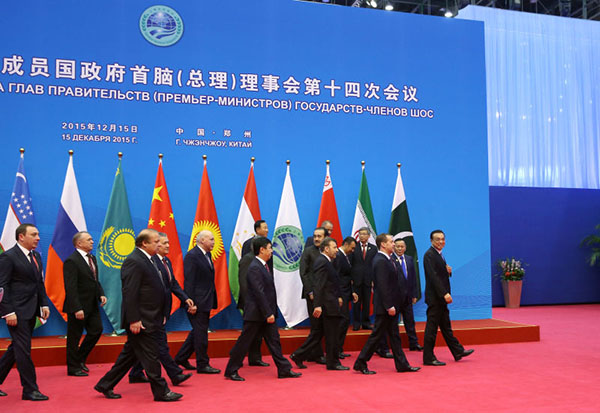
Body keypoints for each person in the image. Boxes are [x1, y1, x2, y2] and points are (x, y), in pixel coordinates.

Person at [94, 229, 182, 401]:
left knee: (128, 356)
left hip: (152, 317)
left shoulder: (151, 260)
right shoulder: (134, 261)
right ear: (144, 243)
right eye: (156, 241)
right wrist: (134, 319)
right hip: (141, 320)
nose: (160, 244)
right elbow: (130, 293)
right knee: (151, 356)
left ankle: (105, 384)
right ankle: (161, 392)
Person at [224, 237, 302, 381]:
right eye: (270, 248)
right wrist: (268, 313)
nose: (272, 251)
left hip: (265, 313)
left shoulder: (263, 265)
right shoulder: (254, 267)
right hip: (256, 314)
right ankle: (231, 370)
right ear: (262, 250)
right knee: (244, 343)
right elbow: (258, 293)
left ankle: (284, 369)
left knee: (274, 341)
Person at [128, 232, 195, 386]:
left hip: (160, 310)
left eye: (167, 243)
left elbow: (172, 284)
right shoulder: (150, 262)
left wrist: (185, 298)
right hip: (149, 312)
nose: (167, 246)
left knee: (137, 348)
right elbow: (132, 292)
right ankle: (175, 374)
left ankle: (135, 373)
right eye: (163, 243)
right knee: (160, 345)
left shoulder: (166, 261)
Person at [353, 233, 420, 375]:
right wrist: (389, 306)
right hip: (385, 307)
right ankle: (361, 362)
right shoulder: (380, 261)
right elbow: (382, 286)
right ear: (383, 244)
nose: (394, 244)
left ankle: (402, 364)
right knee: (376, 336)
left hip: (391, 306)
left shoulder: (389, 259)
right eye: (391, 241)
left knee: (394, 336)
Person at [0, 224, 50, 401]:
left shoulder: (35, 256)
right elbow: (2, 285)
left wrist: (43, 304)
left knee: (17, 348)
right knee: (23, 350)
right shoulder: (8, 257)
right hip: (16, 311)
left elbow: (39, 283)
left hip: (32, 309)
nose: (38, 237)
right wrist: (8, 312)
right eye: (33, 234)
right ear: (21, 237)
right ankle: (29, 389)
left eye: (37, 234)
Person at [422, 230, 474, 366]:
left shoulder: (439, 254)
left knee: (446, 327)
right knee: (432, 329)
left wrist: (447, 272)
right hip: (436, 298)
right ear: (431, 241)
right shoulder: (429, 255)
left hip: (440, 298)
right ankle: (428, 357)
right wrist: (444, 293)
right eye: (437, 239)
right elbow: (433, 277)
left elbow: (439, 274)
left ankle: (457, 351)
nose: (441, 242)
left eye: (443, 239)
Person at [174, 230, 221, 374]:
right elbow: (189, 281)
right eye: (211, 239)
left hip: (206, 300)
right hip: (196, 302)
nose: (214, 242)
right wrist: (191, 303)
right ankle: (202, 364)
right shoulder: (192, 256)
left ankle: (181, 358)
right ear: (201, 241)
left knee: (198, 331)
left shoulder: (207, 255)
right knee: (201, 333)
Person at [63, 231, 107, 377]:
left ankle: (80, 358)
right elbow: (70, 287)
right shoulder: (71, 261)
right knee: (74, 337)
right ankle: (72, 367)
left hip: (92, 304)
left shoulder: (92, 258)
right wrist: (76, 308)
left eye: (92, 239)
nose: (92, 242)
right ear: (79, 243)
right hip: (78, 306)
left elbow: (95, 279)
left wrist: (101, 293)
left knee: (96, 330)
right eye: (89, 240)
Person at [290, 227, 327, 368]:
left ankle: (314, 354)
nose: (317, 238)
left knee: (321, 327)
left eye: (320, 236)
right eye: (315, 236)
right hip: (313, 295)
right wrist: (310, 291)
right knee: (317, 327)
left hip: (325, 295)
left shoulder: (327, 252)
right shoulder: (308, 251)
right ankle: (308, 354)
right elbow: (303, 273)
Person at [237, 220, 272, 367]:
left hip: (263, 299)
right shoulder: (249, 259)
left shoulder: (266, 257)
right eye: (265, 227)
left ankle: (255, 358)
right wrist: (248, 300)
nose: (267, 229)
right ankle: (235, 358)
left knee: (260, 334)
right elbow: (246, 280)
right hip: (252, 301)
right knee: (248, 334)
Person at [311, 237, 348, 370]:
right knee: (332, 335)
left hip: (330, 302)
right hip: (327, 304)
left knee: (326, 333)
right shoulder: (322, 261)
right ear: (326, 249)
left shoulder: (327, 261)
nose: (336, 250)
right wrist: (317, 304)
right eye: (334, 247)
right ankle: (333, 362)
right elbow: (318, 285)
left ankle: (299, 355)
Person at [391, 238, 423, 351]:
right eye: (397, 246)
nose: (400, 249)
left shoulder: (409, 259)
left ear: (405, 247)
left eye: (402, 246)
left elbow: (413, 278)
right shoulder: (390, 259)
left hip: (408, 297)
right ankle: (396, 346)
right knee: (393, 323)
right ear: (393, 247)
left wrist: (414, 294)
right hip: (395, 297)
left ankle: (414, 343)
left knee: (410, 321)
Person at [333, 236, 358, 359]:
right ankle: (336, 350)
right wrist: (338, 295)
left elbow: (347, 276)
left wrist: (352, 291)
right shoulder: (338, 256)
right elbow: (336, 277)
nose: (353, 251)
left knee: (345, 321)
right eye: (352, 248)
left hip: (346, 292)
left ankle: (339, 349)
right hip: (340, 294)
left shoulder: (346, 256)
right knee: (342, 322)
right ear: (346, 245)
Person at [351, 227, 377, 330]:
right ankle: (356, 323)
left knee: (366, 303)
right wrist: (351, 278)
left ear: (369, 236)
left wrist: (373, 280)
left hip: (368, 280)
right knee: (356, 303)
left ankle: (366, 323)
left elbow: (374, 265)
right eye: (360, 234)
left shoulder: (374, 248)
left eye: (364, 234)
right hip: (356, 280)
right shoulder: (354, 247)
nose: (362, 236)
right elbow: (351, 264)